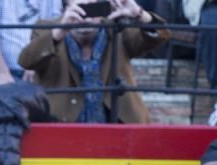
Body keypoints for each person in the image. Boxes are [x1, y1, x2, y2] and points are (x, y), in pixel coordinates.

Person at [18, 0, 169, 124]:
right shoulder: (47, 27)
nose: (86, 18)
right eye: (82, 9)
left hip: (117, 124)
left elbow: (159, 36)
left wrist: (140, 14)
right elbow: (27, 61)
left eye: (93, 9)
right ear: (67, 6)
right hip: (63, 127)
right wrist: (60, 31)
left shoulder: (117, 28)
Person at [0, 0, 61, 90]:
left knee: (60, 97)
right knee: (11, 101)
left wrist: (35, 62)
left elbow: (54, 29)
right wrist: (2, 73)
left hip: (38, 70)